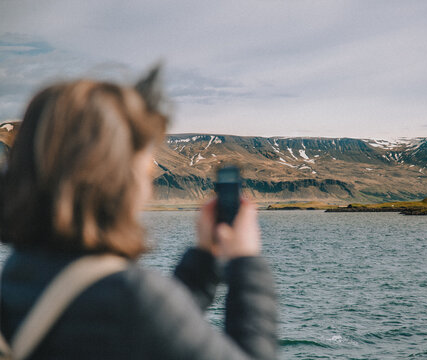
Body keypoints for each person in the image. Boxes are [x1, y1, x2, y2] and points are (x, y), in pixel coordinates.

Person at [0, 69, 277, 359]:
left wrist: (204, 257)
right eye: (145, 166)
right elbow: (145, 317)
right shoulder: (135, 301)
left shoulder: (18, 276)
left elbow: (154, 330)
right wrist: (246, 262)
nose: (149, 182)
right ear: (114, 178)